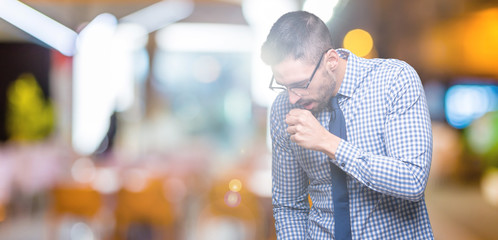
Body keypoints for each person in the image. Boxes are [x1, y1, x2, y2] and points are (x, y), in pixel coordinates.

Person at [261, 11, 433, 239]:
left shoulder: (395, 80)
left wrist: (328, 142)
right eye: (283, 85)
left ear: (331, 61)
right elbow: (289, 205)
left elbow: (412, 180)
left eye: (300, 84)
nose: (293, 98)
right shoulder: (284, 108)